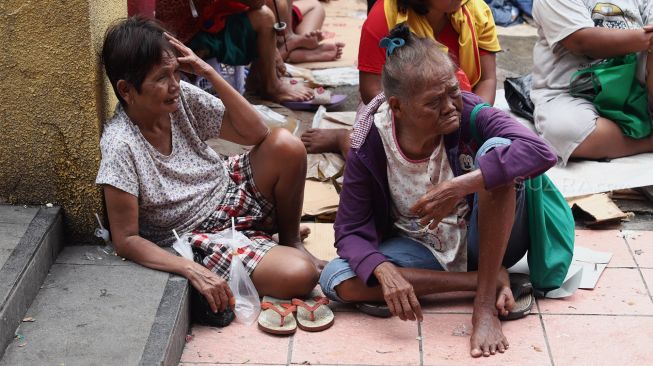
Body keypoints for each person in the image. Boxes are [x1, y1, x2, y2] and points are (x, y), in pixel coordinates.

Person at [319, 25, 559, 358]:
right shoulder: (370, 138)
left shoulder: (470, 112)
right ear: (397, 107)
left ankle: (485, 302)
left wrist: (461, 184)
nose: (450, 106)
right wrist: (383, 270)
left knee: (496, 153)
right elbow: (349, 230)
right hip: (421, 248)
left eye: (452, 92)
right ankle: (478, 281)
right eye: (434, 102)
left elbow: (541, 152)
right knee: (337, 277)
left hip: (486, 240)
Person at [97, 17, 323, 326]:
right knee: (301, 273)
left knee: (286, 145)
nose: (175, 84)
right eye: (162, 77)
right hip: (198, 233)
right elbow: (126, 239)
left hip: (226, 187)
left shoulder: (181, 99)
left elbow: (257, 133)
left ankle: (289, 240)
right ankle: (265, 245)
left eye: (177, 72)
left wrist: (206, 71)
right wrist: (190, 269)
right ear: (126, 90)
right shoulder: (120, 145)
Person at [302, 0, 501, 156]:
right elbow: (371, 90)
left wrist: (471, 120)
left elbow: (487, 80)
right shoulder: (385, 15)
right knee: (369, 156)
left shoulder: (477, 12)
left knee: (485, 157)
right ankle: (344, 139)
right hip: (402, 113)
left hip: (458, 109)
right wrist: (420, 121)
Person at [531, 0, 653, 165]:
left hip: (636, 87)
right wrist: (646, 39)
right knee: (564, 131)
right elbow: (583, 42)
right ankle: (647, 141)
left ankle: (619, 136)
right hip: (573, 92)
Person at [156, 0, 314, 103]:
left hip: (202, 24)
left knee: (267, 15)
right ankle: (271, 85)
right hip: (177, 36)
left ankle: (261, 80)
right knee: (266, 15)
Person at [266, 0, 345, 63]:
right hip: (267, 33)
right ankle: (288, 46)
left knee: (315, 6)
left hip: (283, 23)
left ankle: (301, 44)